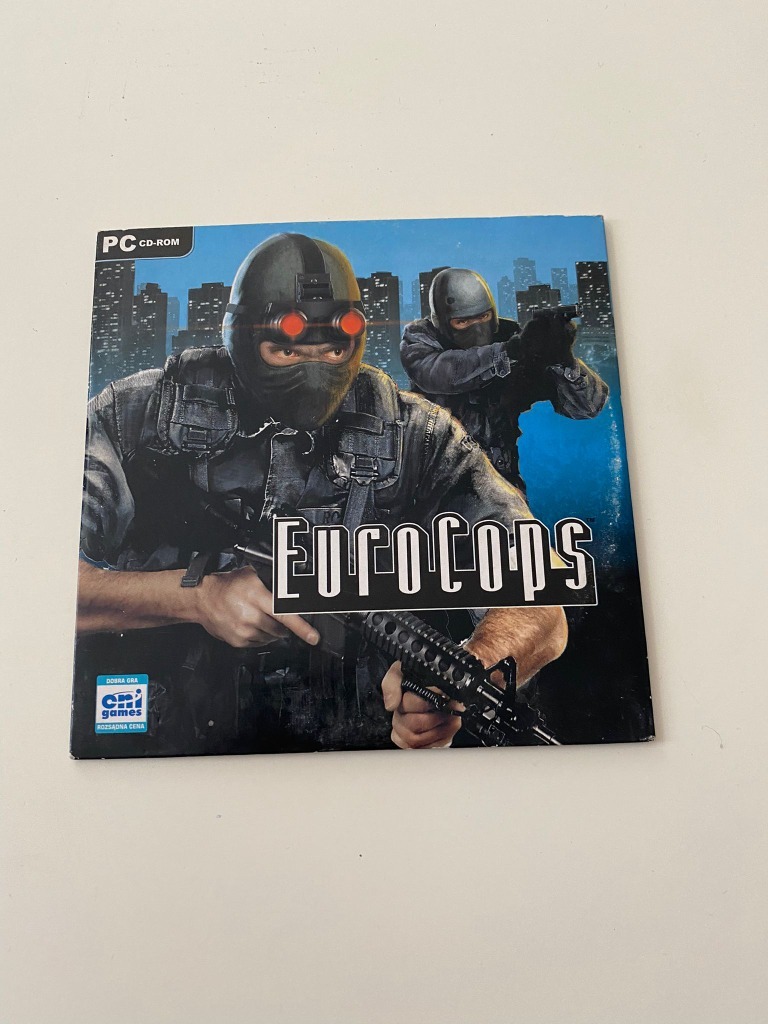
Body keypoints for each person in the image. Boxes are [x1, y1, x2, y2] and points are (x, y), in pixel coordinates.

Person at [76, 234, 567, 755]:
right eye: (285, 349)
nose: (312, 371)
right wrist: (196, 598)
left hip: (347, 737)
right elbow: (41, 583)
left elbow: (544, 593)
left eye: (334, 349)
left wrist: (461, 678)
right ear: (242, 335)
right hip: (166, 726)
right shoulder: (136, 415)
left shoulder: (416, 434)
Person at [400, 268, 609, 493]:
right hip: (436, 484)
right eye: (462, 322)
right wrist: (512, 350)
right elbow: (440, 373)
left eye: (483, 317)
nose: (477, 329)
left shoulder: (511, 337)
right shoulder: (421, 339)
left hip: (501, 481)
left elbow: (588, 406)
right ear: (442, 321)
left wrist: (562, 360)